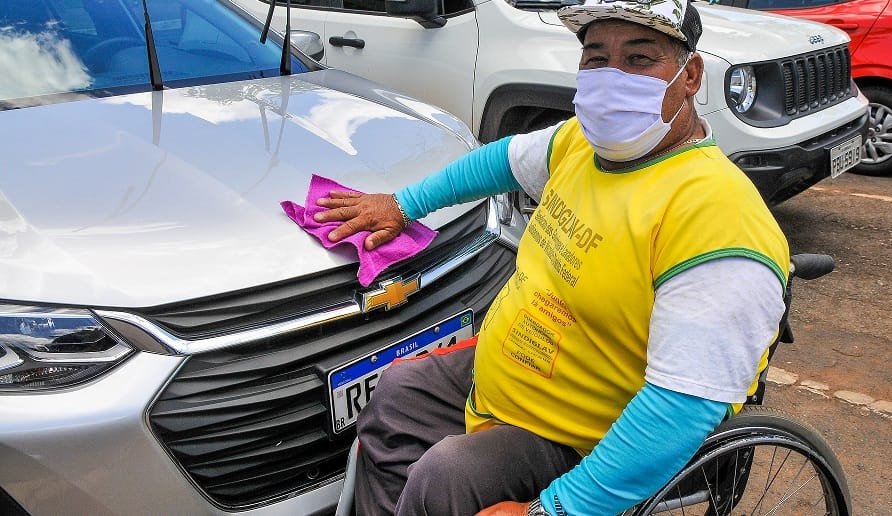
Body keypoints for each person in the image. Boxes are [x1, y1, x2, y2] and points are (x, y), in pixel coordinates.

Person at [314, 1, 790, 514]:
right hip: (517, 376)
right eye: (595, 58)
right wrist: (404, 205)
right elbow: (499, 161)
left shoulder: (715, 216)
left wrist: (554, 510)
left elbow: (680, 406)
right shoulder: (582, 145)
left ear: (691, 74)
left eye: (639, 59)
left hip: (584, 429)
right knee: (399, 390)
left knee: (446, 475)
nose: (612, 78)